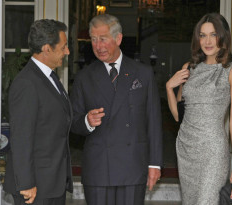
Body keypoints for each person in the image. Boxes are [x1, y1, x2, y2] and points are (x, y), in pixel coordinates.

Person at [70, 14, 163, 205]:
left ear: (118, 38)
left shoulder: (143, 73)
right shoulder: (84, 77)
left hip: (133, 165)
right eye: (94, 40)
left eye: (103, 39)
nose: (98, 46)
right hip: (98, 168)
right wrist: (87, 121)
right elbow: (72, 122)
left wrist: (154, 164)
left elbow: (153, 121)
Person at [166, 13, 232, 204]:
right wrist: (169, 87)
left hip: (213, 152)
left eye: (213, 34)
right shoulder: (189, 67)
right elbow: (178, 115)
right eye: (202, 35)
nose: (207, 41)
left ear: (223, 37)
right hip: (186, 149)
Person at [3, 19, 73, 205]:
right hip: (35, 188)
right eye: (63, 47)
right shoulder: (27, 83)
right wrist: (26, 183)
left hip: (52, 183)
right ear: (46, 49)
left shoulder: (50, 76)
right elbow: (21, 137)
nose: (67, 52)